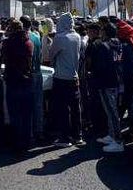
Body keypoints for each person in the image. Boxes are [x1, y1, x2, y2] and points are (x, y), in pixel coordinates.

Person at [49, 13, 83, 147]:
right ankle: (78, 135)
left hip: (61, 77)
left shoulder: (60, 38)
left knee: (62, 108)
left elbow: (52, 55)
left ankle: (65, 137)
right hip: (74, 76)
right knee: (76, 107)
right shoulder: (77, 36)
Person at [90, 23, 125, 153]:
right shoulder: (118, 44)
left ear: (105, 32)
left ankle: (118, 140)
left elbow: (99, 67)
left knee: (112, 112)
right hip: (116, 81)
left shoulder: (103, 47)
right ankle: (112, 135)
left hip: (106, 82)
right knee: (112, 110)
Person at [2, 19, 35, 152]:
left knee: (14, 114)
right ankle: (27, 141)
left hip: (12, 80)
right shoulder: (29, 42)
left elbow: (4, 58)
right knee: (27, 114)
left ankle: (17, 142)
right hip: (26, 80)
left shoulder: (7, 43)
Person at [21, 15, 45, 142]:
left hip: (27, 74)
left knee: (27, 105)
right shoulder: (36, 37)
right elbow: (40, 56)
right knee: (38, 104)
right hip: (38, 72)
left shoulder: (23, 38)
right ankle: (39, 131)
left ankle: (29, 133)